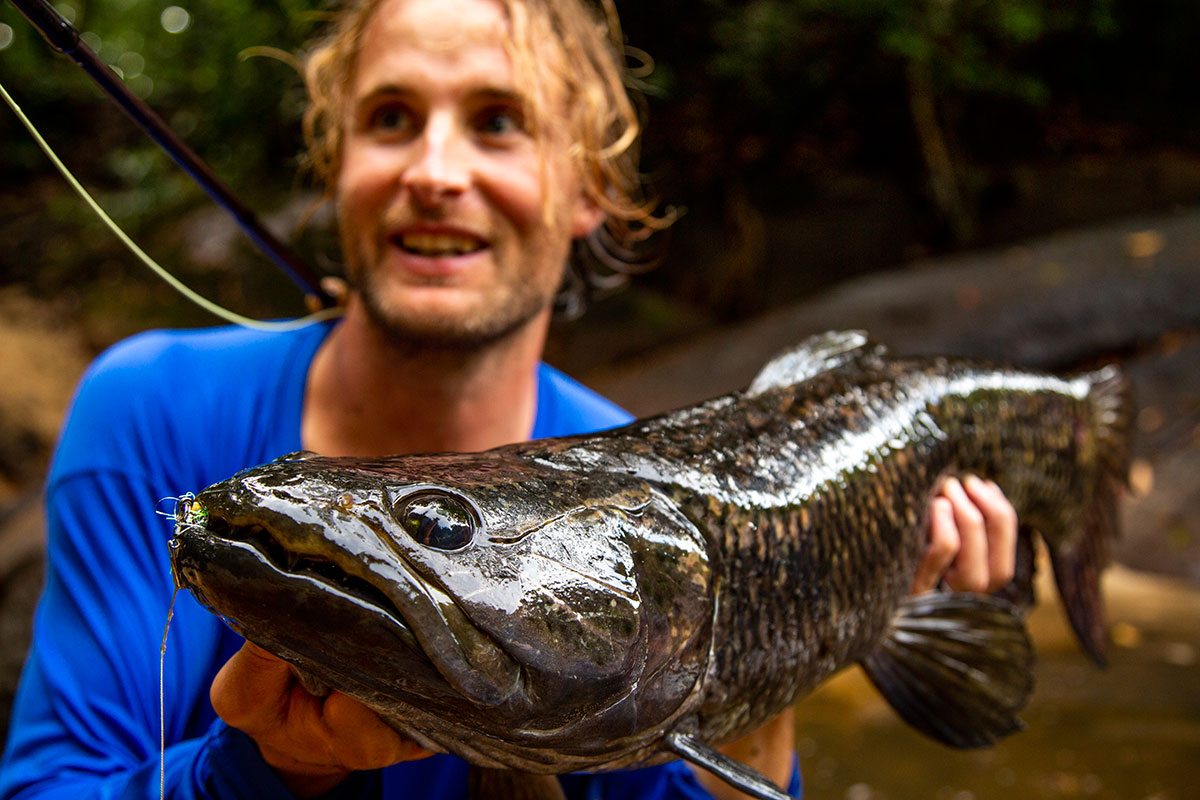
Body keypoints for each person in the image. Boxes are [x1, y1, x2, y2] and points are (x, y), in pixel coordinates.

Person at [0, 0, 1018, 798]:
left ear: (591, 194)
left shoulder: (628, 499)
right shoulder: (152, 411)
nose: (436, 171)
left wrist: (765, 687)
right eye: (390, 118)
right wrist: (271, 768)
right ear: (337, 166)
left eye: (498, 122)